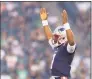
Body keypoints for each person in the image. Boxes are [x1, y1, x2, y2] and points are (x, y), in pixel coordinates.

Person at [40, 8, 76, 79]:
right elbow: (49, 36)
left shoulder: (68, 48)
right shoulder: (57, 45)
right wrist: (44, 22)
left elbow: (71, 41)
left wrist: (66, 24)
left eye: (56, 36)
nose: (54, 37)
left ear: (63, 37)